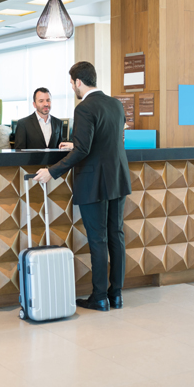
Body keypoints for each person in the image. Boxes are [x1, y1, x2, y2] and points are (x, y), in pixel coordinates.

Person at [33, 62, 131, 312]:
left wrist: (52, 171)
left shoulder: (85, 107)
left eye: (72, 83)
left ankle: (99, 297)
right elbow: (107, 140)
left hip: (94, 182)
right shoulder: (116, 104)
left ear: (78, 82)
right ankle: (116, 295)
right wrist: (75, 146)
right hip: (117, 179)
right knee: (116, 237)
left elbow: (85, 150)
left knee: (97, 240)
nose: (73, 87)